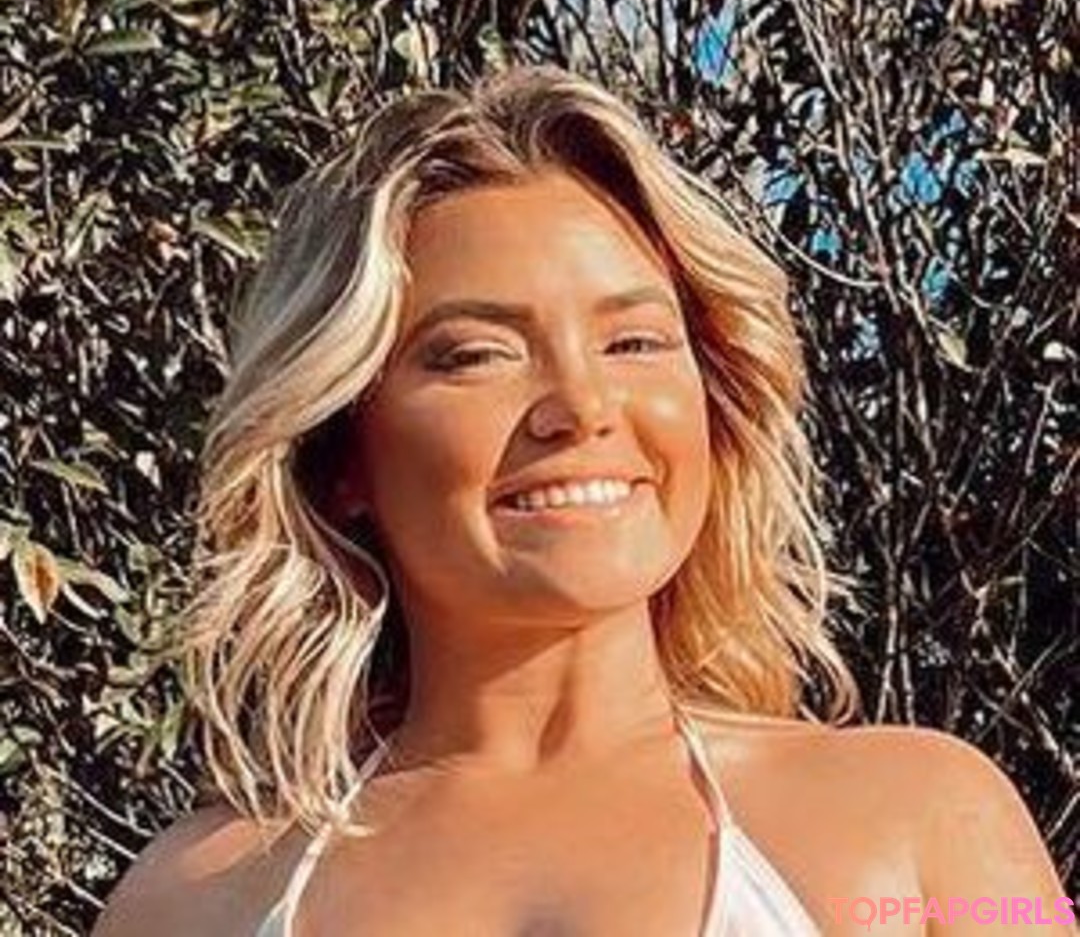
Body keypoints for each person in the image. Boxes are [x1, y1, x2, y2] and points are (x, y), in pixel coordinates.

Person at [94, 67, 1069, 936]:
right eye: (477, 354)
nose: (582, 408)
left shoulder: (931, 822)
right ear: (339, 452)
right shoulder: (194, 901)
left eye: (634, 342)